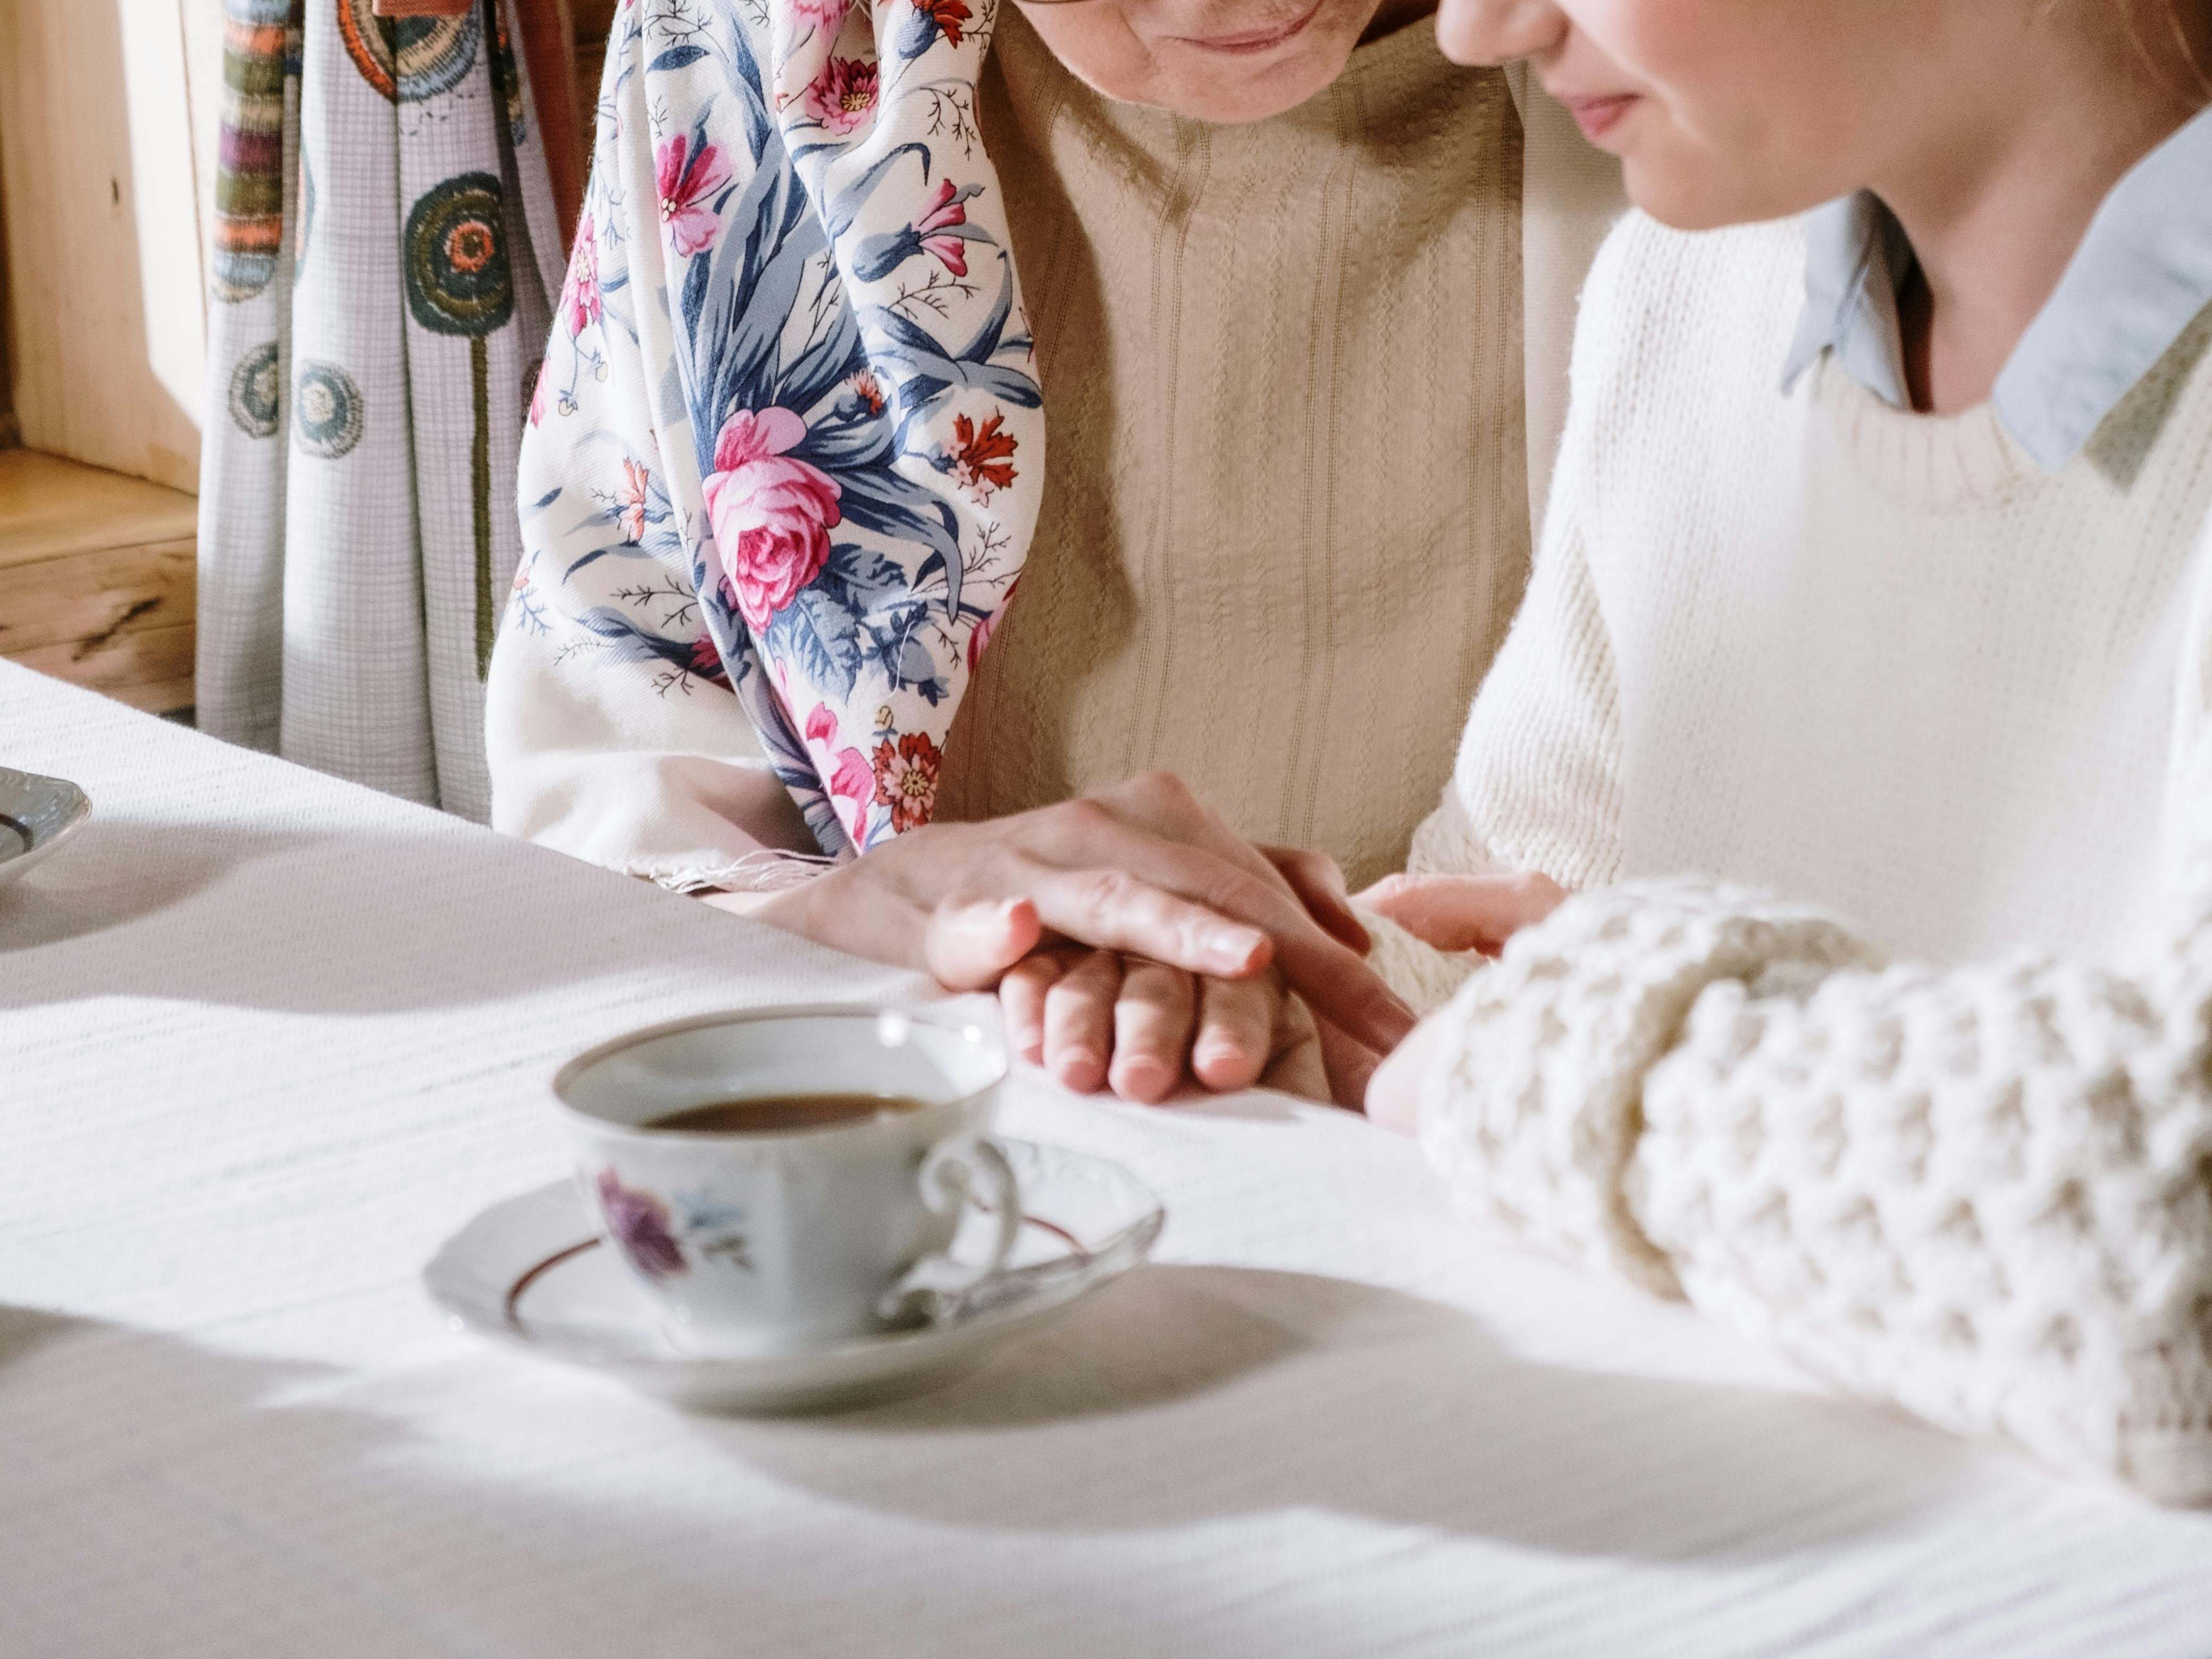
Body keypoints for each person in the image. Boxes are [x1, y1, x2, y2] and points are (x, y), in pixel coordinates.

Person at [1339, 0, 2212, 1501]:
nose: (1480, 29)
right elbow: (1501, 949)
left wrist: (1559, 1056)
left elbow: (2176, 1240)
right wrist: (1257, 978)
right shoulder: (1692, 290)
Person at [485, 0, 1621, 1104]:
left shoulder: (1707, 71)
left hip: (1558, 1104)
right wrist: (872, 910)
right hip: (948, 1102)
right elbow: (595, 822)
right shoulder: (746, 38)